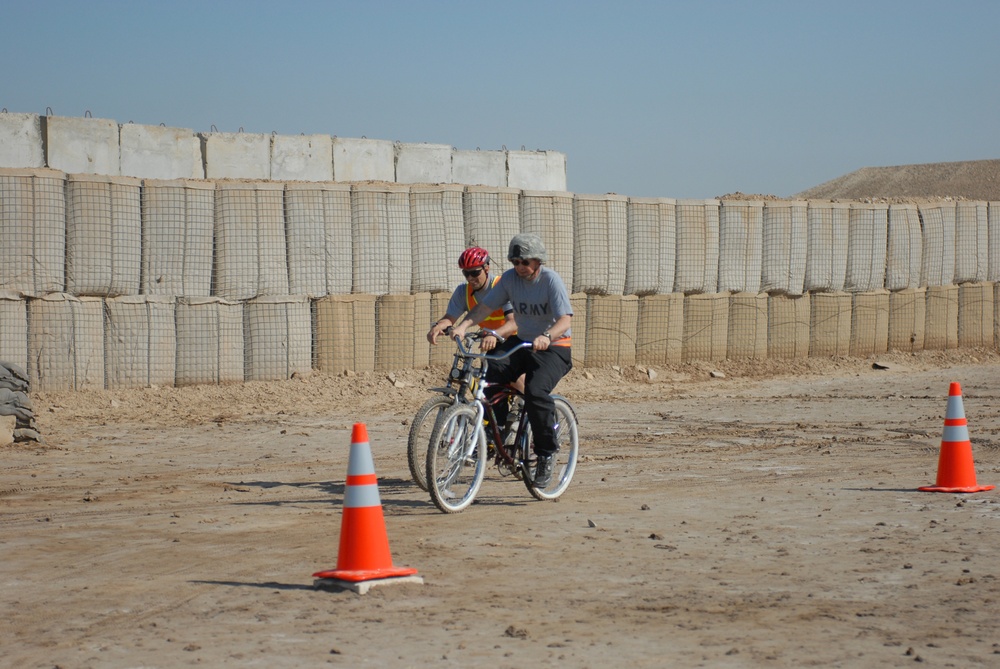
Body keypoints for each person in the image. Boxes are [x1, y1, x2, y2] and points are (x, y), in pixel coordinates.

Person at [450, 233, 573, 487]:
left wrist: (547, 336)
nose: (519, 267)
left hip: (553, 347)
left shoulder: (551, 281)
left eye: (524, 262)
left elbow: (565, 320)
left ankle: (546, 454)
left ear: (538, 261)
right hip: (522, 343)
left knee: (536, 392)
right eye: (515, 262)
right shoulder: (509, 279)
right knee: (488, 370)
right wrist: (463, 326)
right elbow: (484, 307)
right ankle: (500, 429)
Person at [427, 246, 516, 351]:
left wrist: (494, 334)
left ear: (486, 268)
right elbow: (449, 318)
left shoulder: (502, 286)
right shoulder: (463, 291)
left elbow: (514, 322)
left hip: (516, 340)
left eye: (475, 273)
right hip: (490, 341)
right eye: (466, 273)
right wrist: (438, 326)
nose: (470, 278)